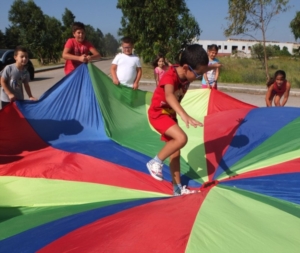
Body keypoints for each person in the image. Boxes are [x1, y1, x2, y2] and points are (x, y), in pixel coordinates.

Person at [147, 44, 221, 196]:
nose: (198, 77)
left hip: (170, 114)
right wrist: (184, 115)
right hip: (158, 113)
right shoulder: (170, 76)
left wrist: (215, 66)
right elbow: (169, 95)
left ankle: (177, 188)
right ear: (187, 68)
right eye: (197, 74)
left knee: (175, 151)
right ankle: (156, 161)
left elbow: (202, 69)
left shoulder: (189, 70)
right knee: (182, 138)